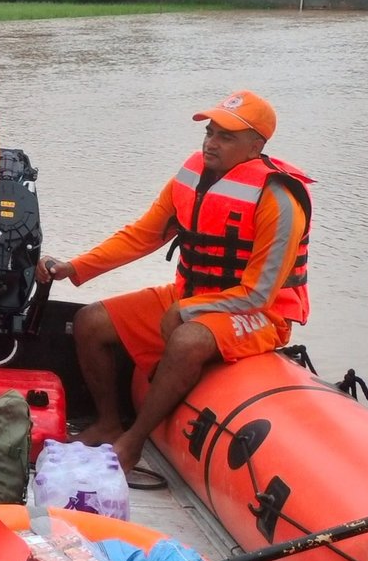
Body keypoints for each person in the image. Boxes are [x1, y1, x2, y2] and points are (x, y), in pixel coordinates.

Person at [37, 90, 313, 471]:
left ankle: (133, 442)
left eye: (225, 137)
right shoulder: (192, 176)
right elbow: (142, 235)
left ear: (256, 145)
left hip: (261, 314)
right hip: (193, 296)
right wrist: (77, 267)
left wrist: (188, 310)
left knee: (187, 339)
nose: (211, 143)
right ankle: (107, 423)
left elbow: (260, 293)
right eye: (210, 133)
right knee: (90, 322)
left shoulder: (279, 199)